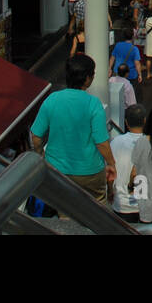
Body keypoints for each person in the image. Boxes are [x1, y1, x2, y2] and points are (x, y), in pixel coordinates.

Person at [29, 55, 115, 205]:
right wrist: (111, 163)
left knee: (65, 210)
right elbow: (101, 142)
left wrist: (40, 154)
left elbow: (36, 136)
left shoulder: (52, 99)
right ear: (87, 78)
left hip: (57, 170)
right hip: (90, 171)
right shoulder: (93, 104)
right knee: (97, 210)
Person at [110, 104, 147, 223]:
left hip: (122, 204)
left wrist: (110, 191)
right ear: (145, 121)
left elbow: (109, 173)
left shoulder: (115, 142)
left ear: (126, 122)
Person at [110, 27, 143, 97]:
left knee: (117, 95)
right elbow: (137, 63)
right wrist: (140, 74)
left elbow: (112, 58)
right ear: (132, 36)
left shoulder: (118, 45)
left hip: (117, 73)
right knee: (130, 95)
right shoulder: (134, 48)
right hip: (130, 74)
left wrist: (109, 68)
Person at [107, 63, 135, 132]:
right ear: (127, 73)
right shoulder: (128, 85)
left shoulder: (110, 80)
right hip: (124, 113)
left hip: (110, 110)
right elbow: (132, 104)